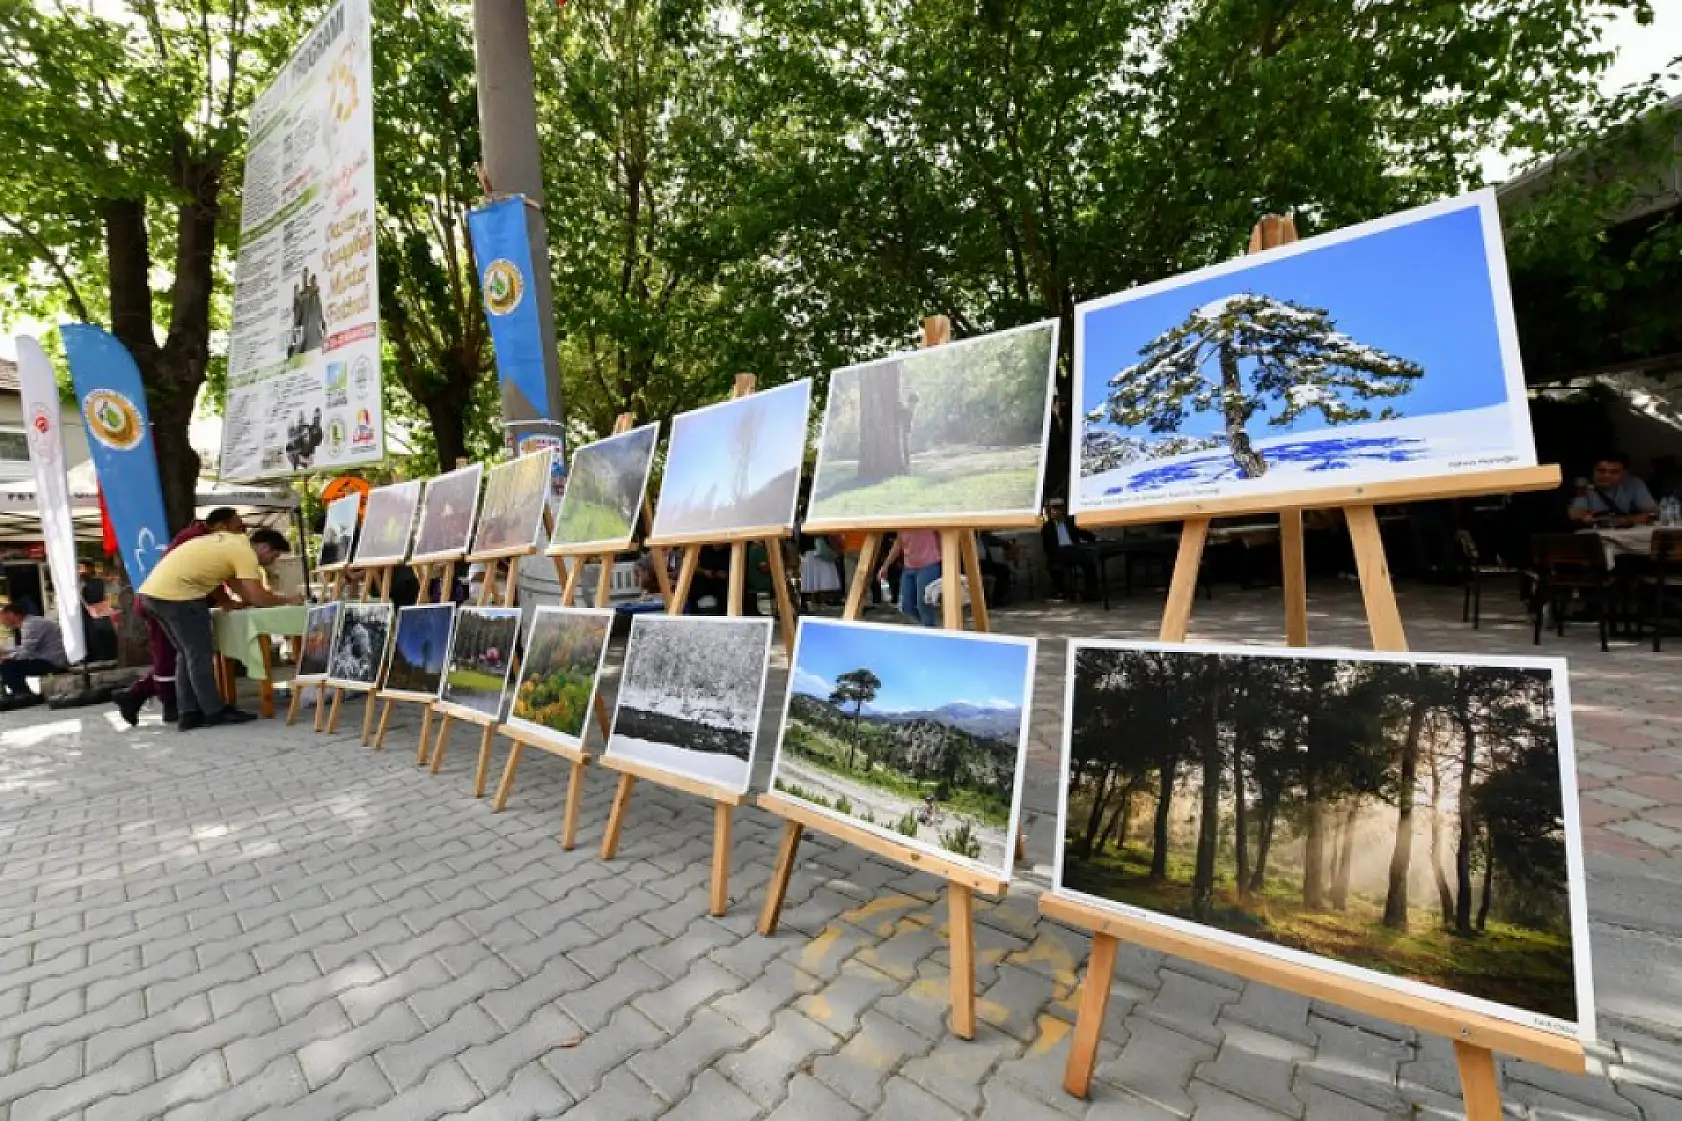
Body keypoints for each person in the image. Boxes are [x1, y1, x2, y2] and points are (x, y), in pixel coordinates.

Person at [137, 528, 298, 730]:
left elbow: (230, 582)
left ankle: (189, 713)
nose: (272, 562)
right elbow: (257, 596)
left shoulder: (229, 543)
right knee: (199, 655)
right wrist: (287, 601)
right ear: (264, 547)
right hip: (179, 596)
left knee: (186, 654)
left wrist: (230, 602)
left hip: (152, 594)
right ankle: (214, 711)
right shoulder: (245, 553)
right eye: (274, 556)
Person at [116, 507, 245, 725]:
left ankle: (182, 709)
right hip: (172, 598)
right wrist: (227, 601)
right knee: (183, 655)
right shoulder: (201, 539)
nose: (243, 532)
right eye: (239, 526)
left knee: (183, 654)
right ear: (221, 526)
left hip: (160, 597)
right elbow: (200, 574)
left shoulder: (198, 537)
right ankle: (190, 707)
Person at [0, 602, 69, 705]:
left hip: (52, 662)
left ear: (11, 614)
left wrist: (5, 657)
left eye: (2, 617)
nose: (1, 621)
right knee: (8, 662)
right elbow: (25, 648)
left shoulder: (30, 625)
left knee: (7, 665)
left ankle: (23, 694)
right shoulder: (30, 622)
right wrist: (7, 652)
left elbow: (25, 653)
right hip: (49, 659)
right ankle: (23, 693)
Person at [1568, 453, 1658, 527]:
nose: (1606, 476)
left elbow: (1652, 513)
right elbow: (1576, 517)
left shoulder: (1633, 483)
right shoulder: (1581, 485)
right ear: (1593, 471)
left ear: (1624, 474)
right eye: (1601, 471)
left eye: (1614, 472)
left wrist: (1625, 520)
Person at [879, 529, 942, 626]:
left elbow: (942, 537)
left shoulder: (930, 520)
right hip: (909, 567)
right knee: (905, 605)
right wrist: (885, 566)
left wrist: (944, 561)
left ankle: (928, 630)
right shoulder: (903, 523)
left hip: (928, 565)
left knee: (924, 604)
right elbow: (898, 544)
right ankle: (926, 626)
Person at [1041, 498, 1099, 599]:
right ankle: (1061, 591)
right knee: (1054, 564)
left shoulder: (1070, 522)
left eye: (1059, 509)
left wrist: (1095, 539)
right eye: (1054, 509)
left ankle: (1091, 590)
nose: (1057, 512)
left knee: (1089, 561)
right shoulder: (1047, 527)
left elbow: (1084, 533)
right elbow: (1047, 546)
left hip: (1073, 550)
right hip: (1058, 552)